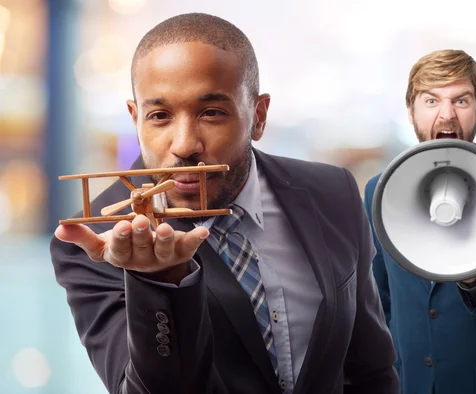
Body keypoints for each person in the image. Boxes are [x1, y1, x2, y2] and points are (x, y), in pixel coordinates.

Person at [50, 13, 399, 394]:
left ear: (258, 117)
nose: (184, 144)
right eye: (160, 116)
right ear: (136, 119)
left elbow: (372, 370)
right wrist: (157, 283)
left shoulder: (333, 193)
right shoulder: (101, 244)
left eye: (211, 113)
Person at [363, 49, 476, 394]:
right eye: (431, 100)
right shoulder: (378, 192)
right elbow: (376, 305)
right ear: (411, 111)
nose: (446, 116)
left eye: (461, 101)